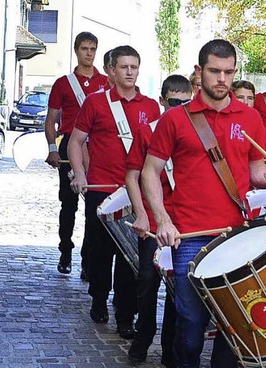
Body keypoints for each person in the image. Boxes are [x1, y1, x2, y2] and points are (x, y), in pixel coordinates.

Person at [141, 39, 266, 368]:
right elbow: (150, 171)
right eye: (214, 72)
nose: (222, 79)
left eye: (228, 72)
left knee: (233, 321)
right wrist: (161, 218)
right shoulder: (176, 119)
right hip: (188, 234)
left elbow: (252, 170)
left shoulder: (250, 117)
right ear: (199, 72)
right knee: (191, 320)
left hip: (235, 235)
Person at [68, 45, 160, 339]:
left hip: (136, 191)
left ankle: (124, 314)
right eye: (124, 67)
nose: (130, 72)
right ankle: (98, 297)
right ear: (111, 70)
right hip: (102, 189)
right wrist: (80, 174)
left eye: (134, 67)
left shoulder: (150, 107)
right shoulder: (96, 103)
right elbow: (76, 141)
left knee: (129, 254)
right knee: (100, 250)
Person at [125, 74, 192, 367]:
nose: (180, 107)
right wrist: (140, 213)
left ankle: (170, 349)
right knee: (148, 281)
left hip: (185, 222)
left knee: (180, 285)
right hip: (154, 220)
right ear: (163, 102)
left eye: (186, 102)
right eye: (175, 102)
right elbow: (132, 175)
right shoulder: (147, 131)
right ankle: (143, 336)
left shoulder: (196, 132)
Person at [44, 32, 108, 276]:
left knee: (95, 205)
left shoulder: (106, 83)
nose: (89, 53)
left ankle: (88, 258)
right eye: (84, 48)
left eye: (93, 48)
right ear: (76, 51)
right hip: (70, 142)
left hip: (97, 146)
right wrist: (52, 148)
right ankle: (65, 252)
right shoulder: (63, 83)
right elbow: (51, 120)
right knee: (68, 204)